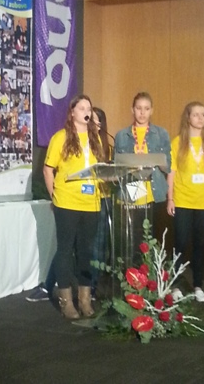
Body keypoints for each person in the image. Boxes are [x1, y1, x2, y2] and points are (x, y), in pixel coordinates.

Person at [43, 94, 104, 319]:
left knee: (86, 251)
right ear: (72, 113)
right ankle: (66, 301)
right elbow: (48, 169)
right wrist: (54, 196)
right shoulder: (60, 137)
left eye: (89, 108)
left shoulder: (96, 139)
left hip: (91, 203)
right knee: (66, 250)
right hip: (67, 202)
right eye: (82, 108)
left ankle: (85, 299)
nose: (87, 111)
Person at [167, 102, 204, 303]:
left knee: (200, 245)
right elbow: (172, 172)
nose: (200, 118)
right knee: (180, 243)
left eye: (203, 114)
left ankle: (198, 286)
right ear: (188, 117)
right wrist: (170, 198)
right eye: (196, 114)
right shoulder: (177, 142)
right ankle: (176, 285)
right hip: (182, 200)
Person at [114, 92, 171, 245]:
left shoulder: (161, 134)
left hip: (154, 191)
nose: (142, 112)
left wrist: (153, 160)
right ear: (132, 110)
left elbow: (168, 166)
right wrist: (132, 162)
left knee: (154, 239)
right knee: (134, 239)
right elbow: (117, 166)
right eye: (139, 108)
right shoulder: (122, 135)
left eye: (146, 108)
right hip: (132, 189)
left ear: (151, 111)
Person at [91, 107, 113, 298]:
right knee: (89, 243)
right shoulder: (84, 143)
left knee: (101, 242)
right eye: (91, 119)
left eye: (98, 120)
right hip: (86, 198)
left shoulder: (108, 146)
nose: (95, 123)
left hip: (104, 197)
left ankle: (95, 283)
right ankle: (88, 283)